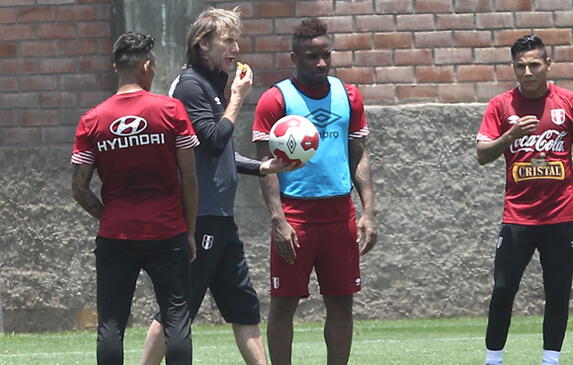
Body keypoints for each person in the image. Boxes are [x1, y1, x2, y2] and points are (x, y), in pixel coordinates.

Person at [140, 8, 296, 365]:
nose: (236, 48)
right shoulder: (191, 86)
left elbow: (220, 153)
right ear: (203, 43)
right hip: (200, 218)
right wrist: (237, 98)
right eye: (228, 40)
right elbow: (211, 140)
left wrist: (262, 166)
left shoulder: (211, 85)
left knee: (244, 306)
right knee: (177, 306)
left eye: (235, 40)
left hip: (222, 220)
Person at [252, 18, 377, 365]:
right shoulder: (276, 99)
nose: (321, 64)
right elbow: (265, 168)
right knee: (283, 304)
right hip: (296, 215)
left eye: (326, 56)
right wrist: (278, 220)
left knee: (341, 303)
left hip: (339, 214)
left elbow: (359, 155)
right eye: (311, 57)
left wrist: (368, 211)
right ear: (294, 57)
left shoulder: (348, 95)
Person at [476, 34, 573, 365]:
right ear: (513, 68)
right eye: (520, 66)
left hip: (561, 216)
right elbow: (482, 154)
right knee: (503, 289)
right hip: (517, 217)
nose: (528, 72)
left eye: (534, 65)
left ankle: (550, 359)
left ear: (548, 64)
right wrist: (511, 135)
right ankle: (493, 359)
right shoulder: (500, 105)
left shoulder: (569, 102)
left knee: (558, 292)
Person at [71, 32, 198, 365]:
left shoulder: (92, 119)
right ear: (146, 65)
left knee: (111, 322)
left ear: (116, 67)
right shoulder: (171, 110)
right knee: (176, 318)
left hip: (115, 234)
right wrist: (190, 230)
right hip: (167, 231)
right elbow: (190, 179)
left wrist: (107, 215)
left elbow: (79, 188)